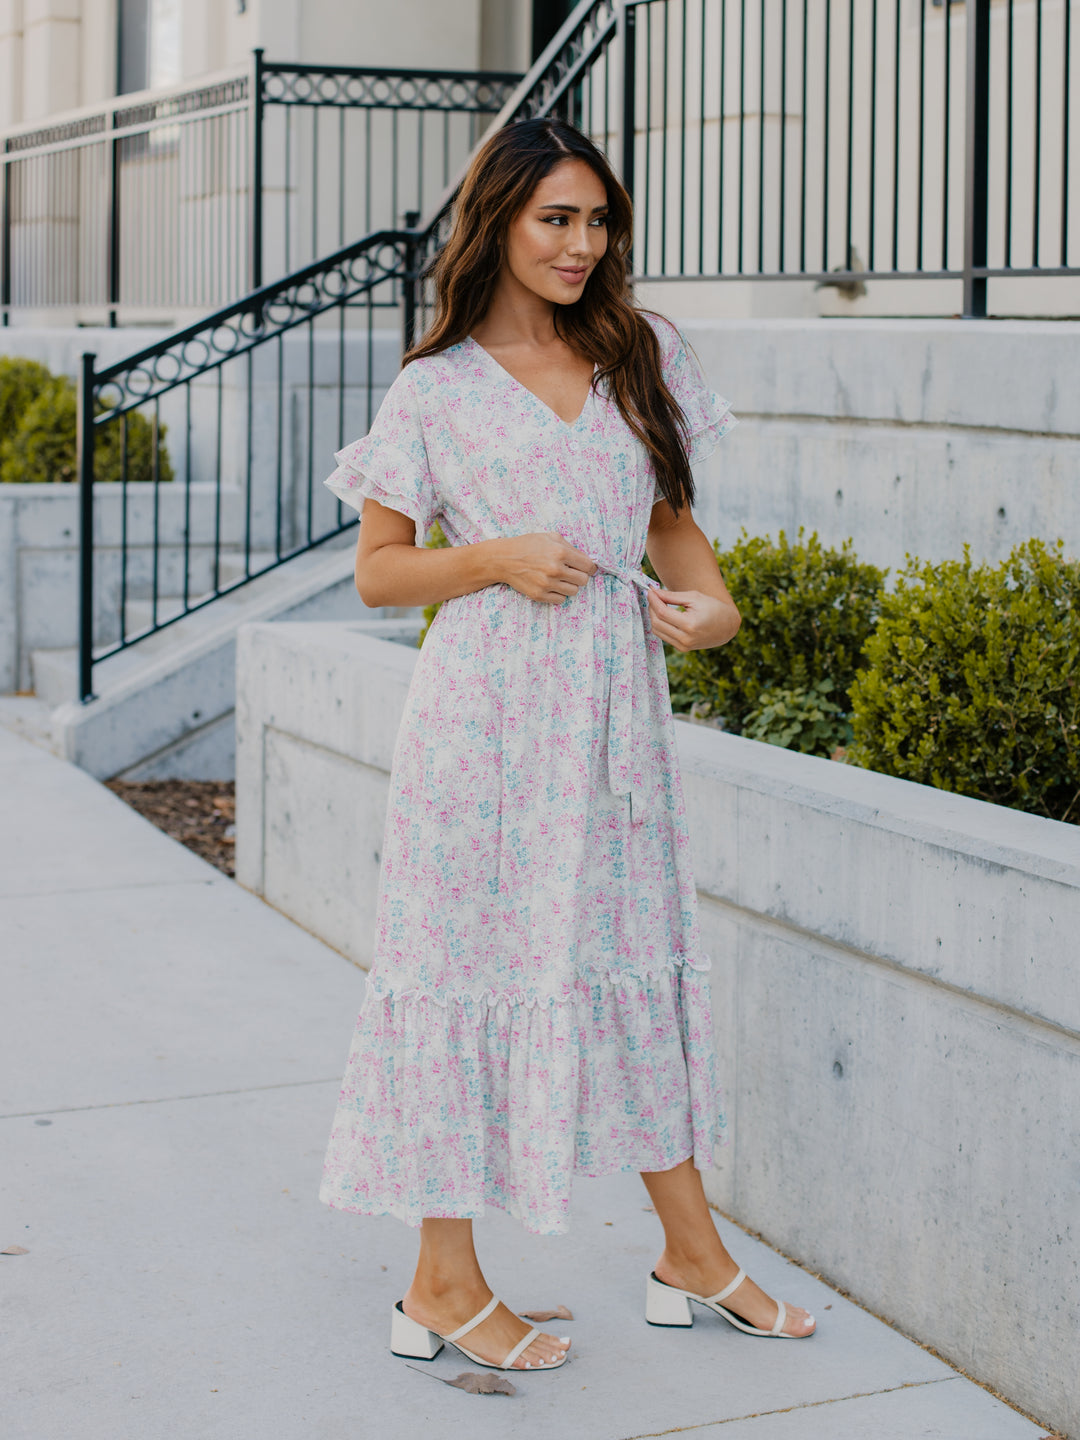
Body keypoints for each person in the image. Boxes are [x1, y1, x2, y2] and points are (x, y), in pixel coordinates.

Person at [319, 115, 816, 1374]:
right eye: (558, 219)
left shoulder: (639, 356)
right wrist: (495, 556)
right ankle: (440, 1280)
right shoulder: (431, 389)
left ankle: (691, 1258)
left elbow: (680, 546)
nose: (583, 243)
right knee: (465, 980)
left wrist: (715, 613)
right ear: (498, 222)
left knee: (629, 967)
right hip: (480, 736)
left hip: (611, 735)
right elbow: (379, 574)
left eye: (599, 220)